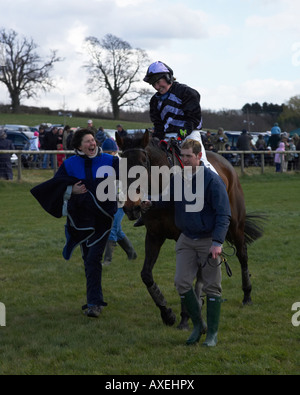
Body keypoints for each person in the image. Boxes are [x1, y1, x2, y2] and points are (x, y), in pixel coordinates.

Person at [141, 139, 231, 347]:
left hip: (208, 241)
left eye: (188, 156)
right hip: (186, 239)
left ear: (199, 157)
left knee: (212, 287)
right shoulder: (179, 178)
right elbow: (170, 199)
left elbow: (224, 214)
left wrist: (217, 242)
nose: (184, 159)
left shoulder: (212, 181)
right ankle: (199, 325)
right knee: (181, 282)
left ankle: (212, 334)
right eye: (182, 156)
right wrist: (152, 202)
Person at [31, 129, 120, 318]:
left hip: (103, 220)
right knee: (88, 260)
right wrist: (71, 190)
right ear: (79, 146)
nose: (92, 144)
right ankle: (93, 300)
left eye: (93, 140)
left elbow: (132, 177)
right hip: (80, 222)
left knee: (93, 259)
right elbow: (56, 186)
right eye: (88, 141)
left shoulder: (110, 161)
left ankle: (94, 304)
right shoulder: (70, 164)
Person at [143, 61, 202, 140]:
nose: (156, 87)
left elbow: (193, 120)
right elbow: (158, 125)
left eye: (158, 82)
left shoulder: (187, 93)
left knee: (189, 151)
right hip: (167, 136)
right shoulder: (154, 100)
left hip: (190, 135)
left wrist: (180, 136)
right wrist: (156, 139)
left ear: (167, 77)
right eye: (153, 84)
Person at [101, 138, 137, 265]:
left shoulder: (123, 164)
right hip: (107, 201)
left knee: (112, 229)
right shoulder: (103, 162)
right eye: (103, 152)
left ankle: (107, 260)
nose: (105, 154)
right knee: (117, 229)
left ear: (114, 152)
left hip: (121, 202)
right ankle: (132, 253)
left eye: (108, 152)